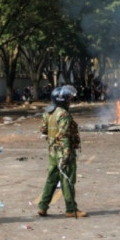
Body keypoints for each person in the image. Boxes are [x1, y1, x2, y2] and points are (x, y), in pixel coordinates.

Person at [37, 85, 87, 218]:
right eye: (68, 99)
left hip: (52, 152)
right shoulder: (63, 114)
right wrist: (66, 155)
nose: (69, 102)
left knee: (51, 180)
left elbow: (43, 130)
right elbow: (64, 136)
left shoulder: (48, 112)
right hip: (64, 152)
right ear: (62, 100)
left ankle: (43, 207)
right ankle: (71, 209)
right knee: (68, 181)